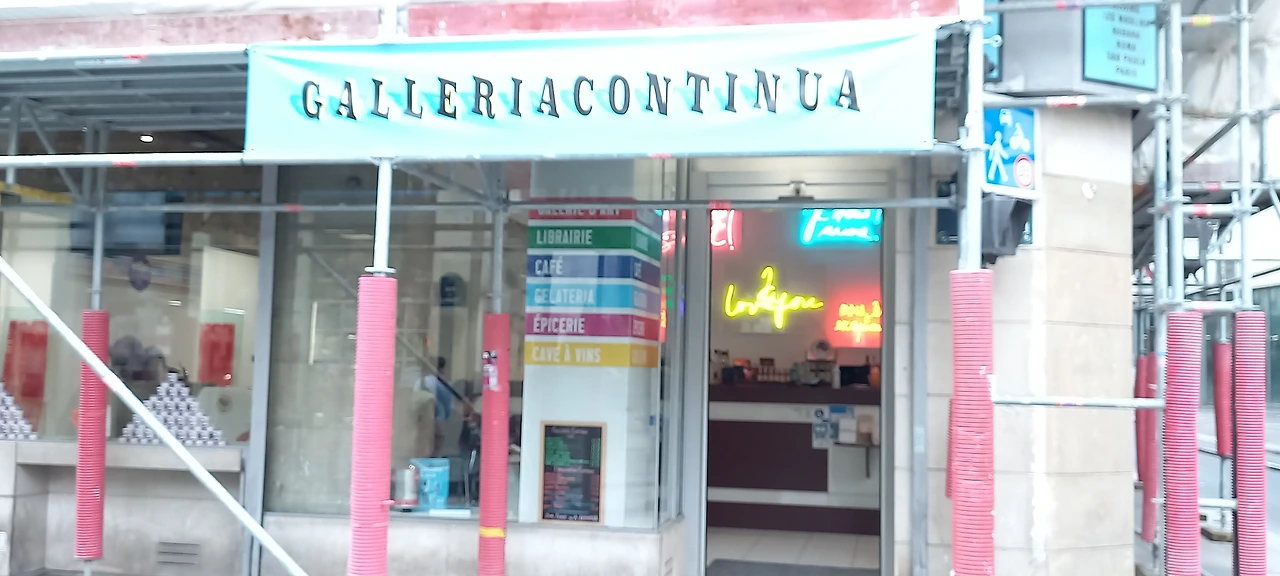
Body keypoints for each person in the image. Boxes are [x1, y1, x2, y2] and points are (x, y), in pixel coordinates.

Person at [415, 357, 454, 457]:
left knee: (423, 443)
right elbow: (447, 402)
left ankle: (423, 461)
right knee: (438, 443)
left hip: (422, 419)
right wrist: (446, 416)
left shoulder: (420, 382)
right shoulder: (440, 383)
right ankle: (435, 461)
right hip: (438, 418)